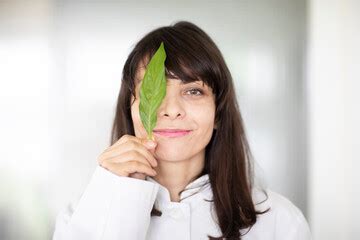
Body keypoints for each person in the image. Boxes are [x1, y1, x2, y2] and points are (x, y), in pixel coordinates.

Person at [52, 21, 312, 240]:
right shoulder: (80, 218)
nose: (171, 110)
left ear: (218, 113)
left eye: (193, 91)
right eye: (153, 91)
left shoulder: (280, 220)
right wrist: (114, 194)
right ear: (130, 110)